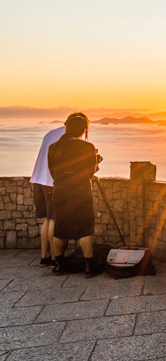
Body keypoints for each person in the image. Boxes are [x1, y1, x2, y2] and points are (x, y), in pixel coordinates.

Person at [48, 113, 100, 277]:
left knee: (60, 228)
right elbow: (90, 173)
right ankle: (89, 266)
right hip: (81, 192)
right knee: (84, 228)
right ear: (83, 130)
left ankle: (58, 264)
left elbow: (52, 172)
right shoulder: (88, 147)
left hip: (60, 192)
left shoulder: (54, 147)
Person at [29, 114, 85, 265]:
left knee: (47, 220)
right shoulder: (69, 137)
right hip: (52, 181)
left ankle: (45, 256)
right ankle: (56, 258)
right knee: (55, 219)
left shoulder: (50, 133)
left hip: (39, 180)